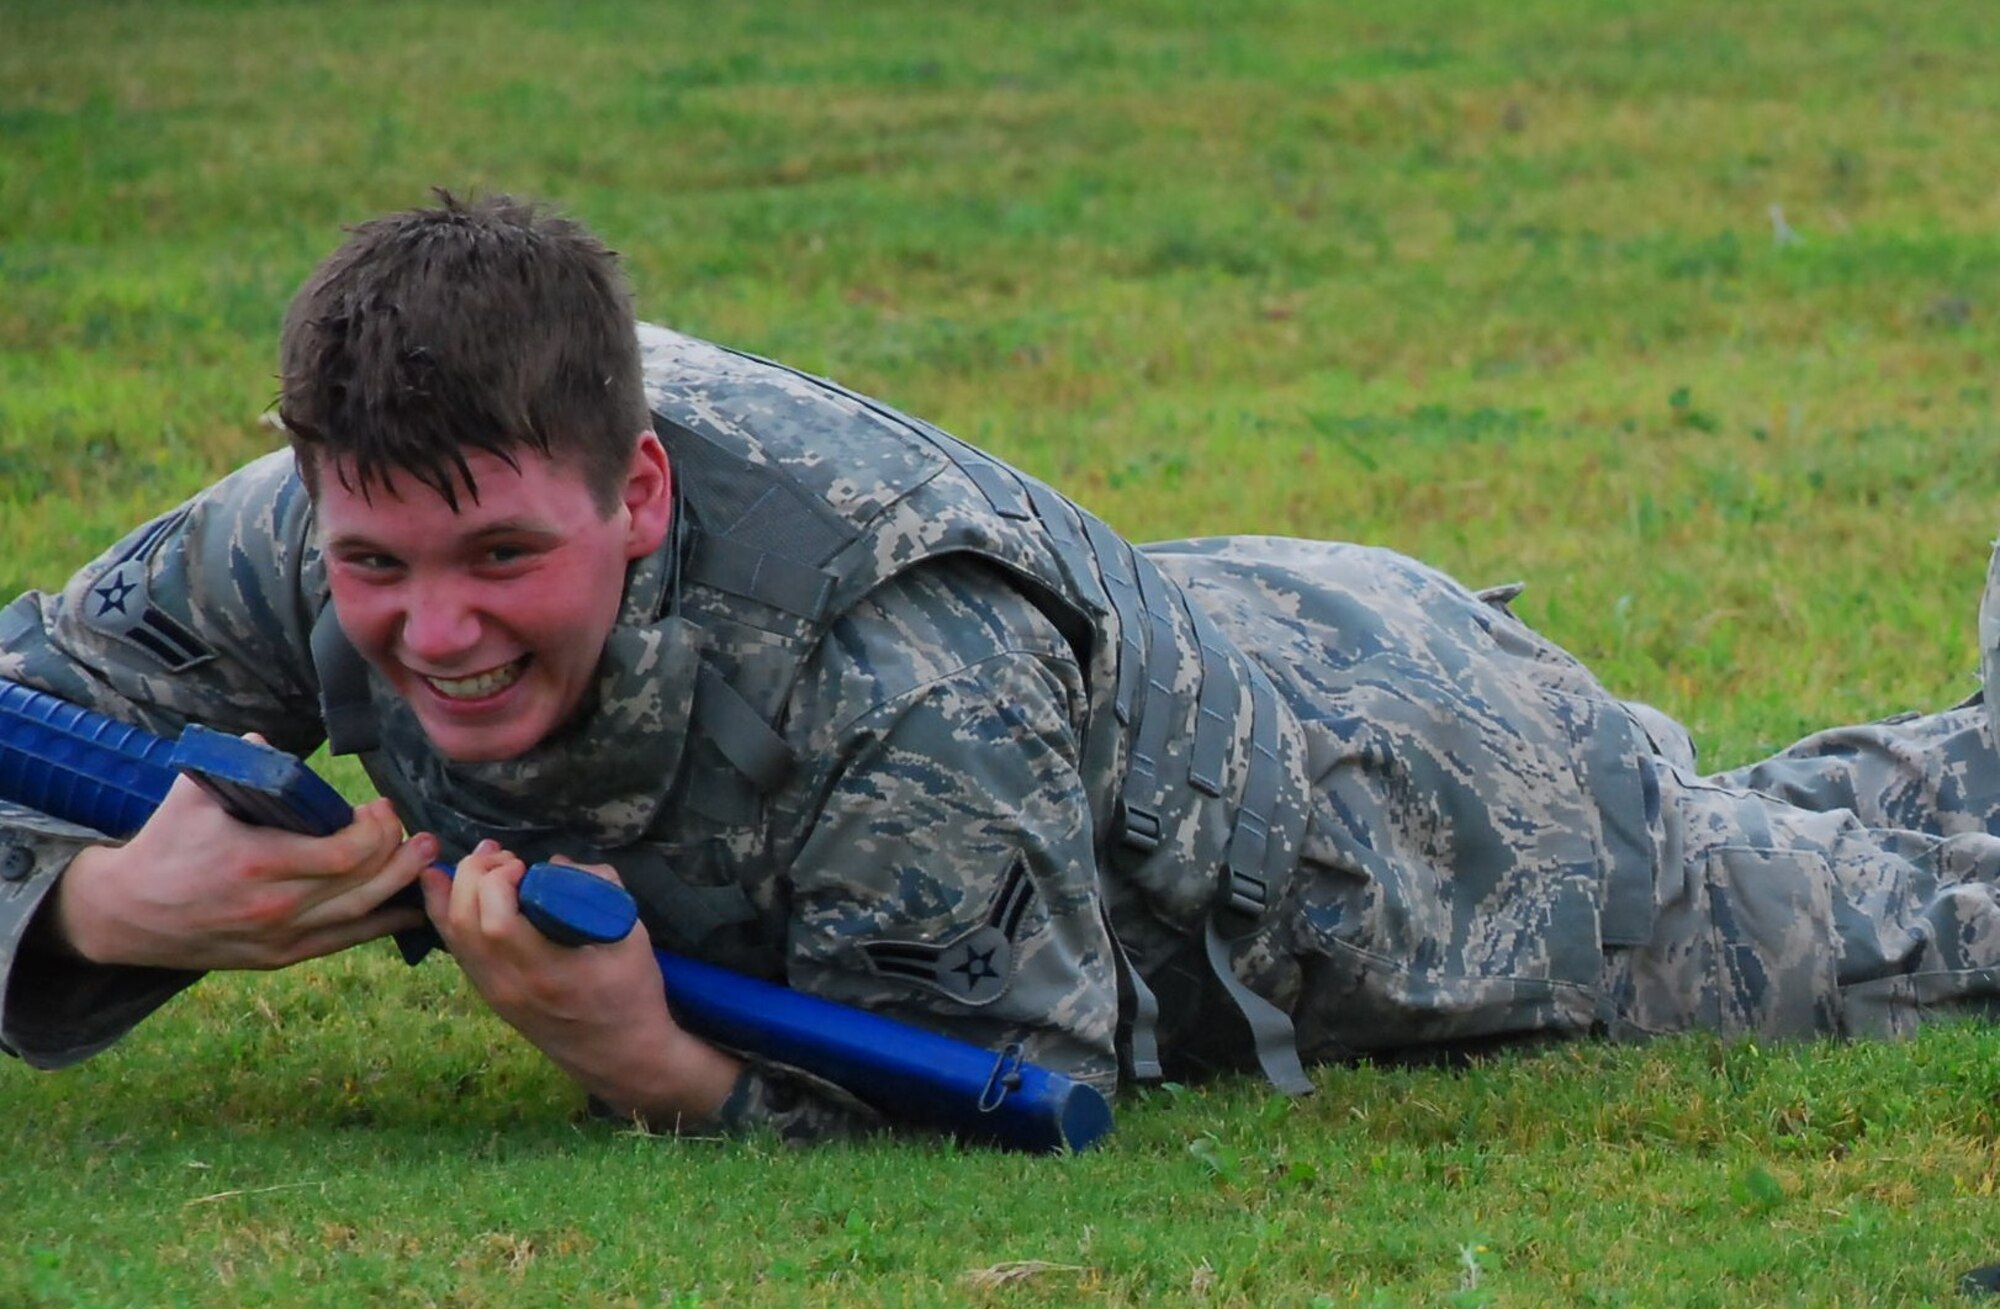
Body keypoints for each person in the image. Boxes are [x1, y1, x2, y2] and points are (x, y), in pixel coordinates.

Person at [7, 191, 2000, 1143]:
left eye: (502, 558)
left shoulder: (894, 663)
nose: (431, 630)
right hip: (1212, 634)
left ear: (631, 486)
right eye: (378, 564)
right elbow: (25, 700)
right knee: (1824, 809)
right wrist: (100, 897)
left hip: (1428, 821)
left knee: (1908, 925)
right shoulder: (303, 522)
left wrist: (650, 1060)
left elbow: (1024, 1088)